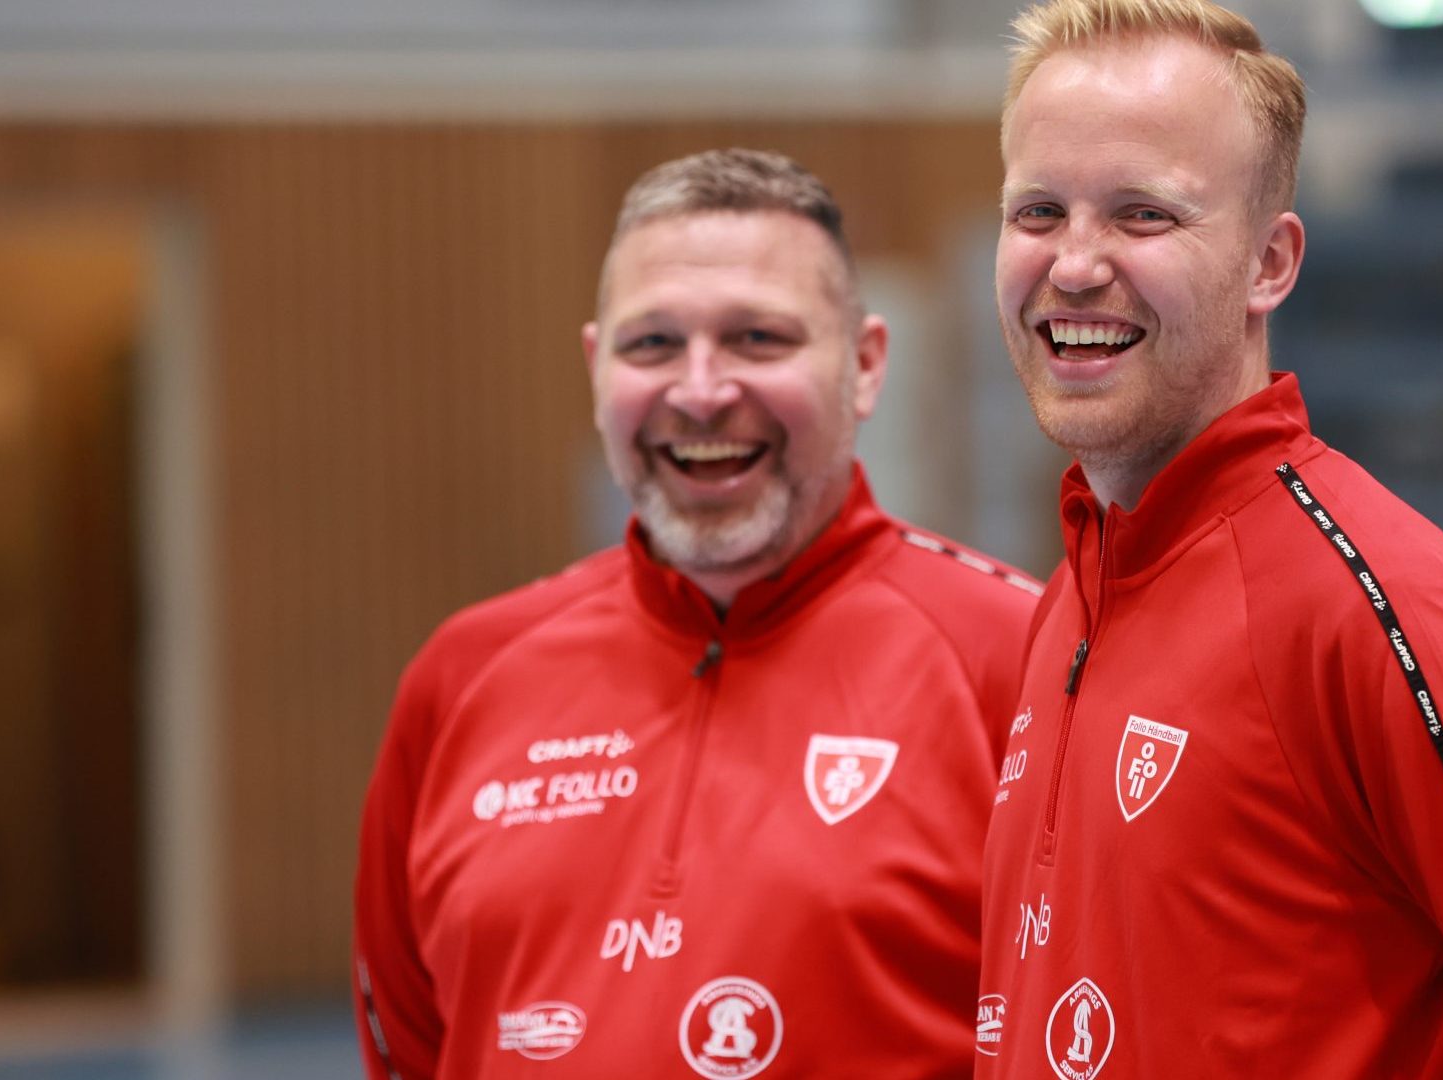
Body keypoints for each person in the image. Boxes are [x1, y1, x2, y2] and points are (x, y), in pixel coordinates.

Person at [975, 2, 1443, 1078]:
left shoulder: (1369, 602)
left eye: (1143, 215)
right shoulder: (1071, 601)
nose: (1074, 264)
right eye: (1039, 211)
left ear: (1269, 263)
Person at [353, 148, 1041, 1079]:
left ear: (864, 365)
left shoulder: (1020, 659)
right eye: (653, 345)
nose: (702, 391)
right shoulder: (462, 679)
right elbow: (409, 1046)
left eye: (758, 338)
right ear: (597, 368)